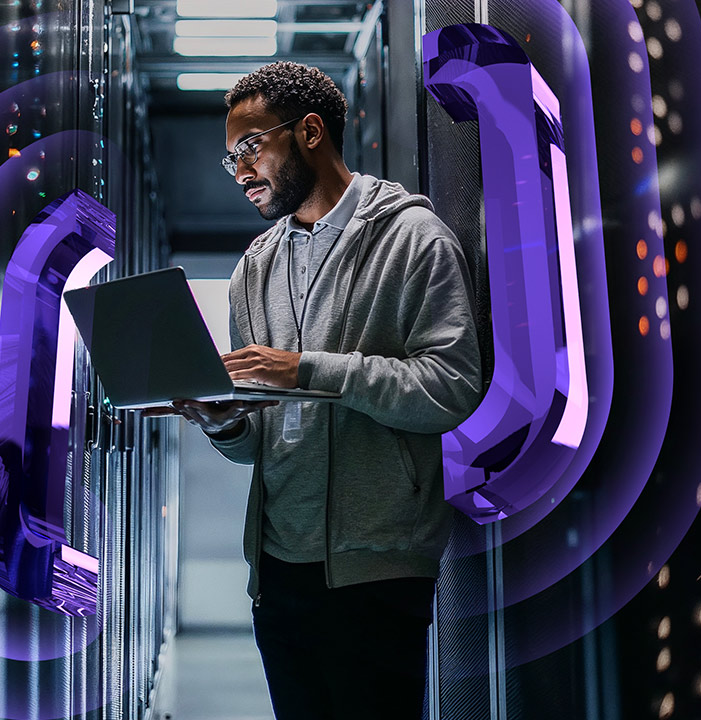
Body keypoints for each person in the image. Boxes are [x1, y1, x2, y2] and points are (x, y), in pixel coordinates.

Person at [167, 61, 484, 718]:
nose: (242, 173)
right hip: (279, 573)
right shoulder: (253, 269)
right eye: (231, 161)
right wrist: (222, 421)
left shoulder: (413, 239)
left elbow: (453, 388)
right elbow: (259, 440)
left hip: (378, 569)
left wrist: (307, 370)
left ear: (311, 131)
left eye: (250, 148)